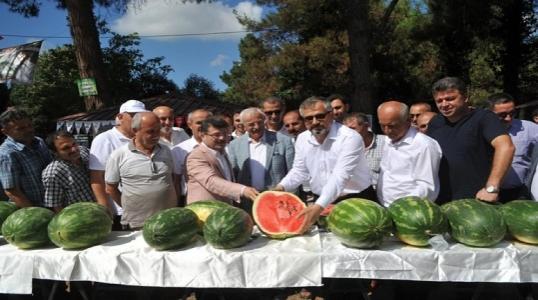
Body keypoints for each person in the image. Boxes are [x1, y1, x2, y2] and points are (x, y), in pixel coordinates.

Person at [273, 96, 373, 233]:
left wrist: (319, 205)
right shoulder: (302, 139)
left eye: (320, 116)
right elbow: (299, 171)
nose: (315, 122)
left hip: (355, 201)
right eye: (308, 118)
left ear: (331, 115)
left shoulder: (350, 138)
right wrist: (280, 188)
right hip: (320, 201)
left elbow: (340, 176)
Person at [427, 77, 515, 203]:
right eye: (439, 101)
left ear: (465, 97)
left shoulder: (484, 118)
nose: (444, 104)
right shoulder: (435, 122)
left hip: (477, 201)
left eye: (450, 98)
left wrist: (492, 188)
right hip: (441, 201)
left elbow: (506, 147)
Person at [105, 112, 177, 230]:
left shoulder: (166, 150)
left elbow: (172, 178)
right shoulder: (119, 155)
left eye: (158, 130)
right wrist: (130, 208)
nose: (156, 135)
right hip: (137, 224)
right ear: (135, 130)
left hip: (168, 220)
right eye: (150, 131)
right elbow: (110, 187)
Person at [89, 99, 148, 227]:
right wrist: (105, 208)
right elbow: (97, 178)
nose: (138, 120)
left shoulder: (143, 138)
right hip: (121, 211)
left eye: (141, 116)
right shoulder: (104, 140)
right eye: (134, 116)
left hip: (146, 208)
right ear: (120, 117)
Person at [228, 108, 295, 213]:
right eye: (251, 124)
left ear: (264, 121)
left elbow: (293, 172)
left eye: (259, 122)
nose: (257, 127)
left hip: (278, 200)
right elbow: (234, 174)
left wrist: (292, 201)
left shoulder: (283, 140)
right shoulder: (234, 145)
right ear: (244, 126)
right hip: (248, 202)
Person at [376, 101, 442, 207]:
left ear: (408, 121)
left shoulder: (424, 145)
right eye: (382, 126)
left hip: (408, 210)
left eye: (392, 126)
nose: (387, 131)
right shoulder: (388, 141)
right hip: (384, 206)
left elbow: (427, 187)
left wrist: (404, 207)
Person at [185, 117, 259, 204]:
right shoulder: (196, 156)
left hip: (224, 210)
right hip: (205, 211)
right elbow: (211, 181)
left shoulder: (222, 153)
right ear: (203, 135)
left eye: (225, 134)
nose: (222, 138)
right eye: (216, 135)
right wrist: (242, 190)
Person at [487, 92, 538, 201]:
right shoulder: (479, 129)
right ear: (489, 113)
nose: (508, 118)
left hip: (518, 193)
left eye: (512, 113)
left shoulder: (529, 128)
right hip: (485, 191)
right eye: (502, 115)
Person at [0, 108, 52, 207]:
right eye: (21, 128)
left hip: (53, 202)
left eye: (29, 125)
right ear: (5, 131)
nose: (29, 130)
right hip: (34, 208)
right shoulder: (7, 154)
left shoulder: (39, 142)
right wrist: (35, 213)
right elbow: (12, 191)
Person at [42, 131, 95, 212]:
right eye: (66, 148)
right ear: (55, 152)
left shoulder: (85, 152)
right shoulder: (53, 173)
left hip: (103, 208)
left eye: (74, 144)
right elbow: (56, 206)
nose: (74, 149)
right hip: (81, 217)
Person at [171, 109, 213, 201]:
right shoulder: (178, 150)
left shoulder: (224, 148)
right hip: (190, 201)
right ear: (190, 125)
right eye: (199, 123)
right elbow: (176, 181)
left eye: (207, 122)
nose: (203, 126)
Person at [343, 112, 386, 188]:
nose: (348, 134)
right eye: (346, 130)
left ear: (366, 126)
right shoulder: (344, 147)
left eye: (352, 129)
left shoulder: (385, 143)